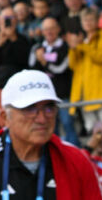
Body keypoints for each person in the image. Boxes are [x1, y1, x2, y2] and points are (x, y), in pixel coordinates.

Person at [0, 70, 102, 199]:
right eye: (30, 109)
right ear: (5, 118)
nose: (42, 118)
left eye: (49, 108)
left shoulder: (76, 160)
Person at [28, 17, 80, 146]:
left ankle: (75, 153)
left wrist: (45, 62)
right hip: (45, 97)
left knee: (68, 123)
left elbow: (61, 68)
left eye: (52, 29)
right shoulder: (37, 47)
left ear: (57, 29)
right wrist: (38, 58)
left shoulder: (65, 46)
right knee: (51, 127)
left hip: (63, 94)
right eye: (46, 29)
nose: (49, 32)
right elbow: (32, 68)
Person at [67, 9, 102, 131]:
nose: (87, 23)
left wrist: (83, 46)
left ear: (97, 21)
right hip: (85, 92)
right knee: (91, 129)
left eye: (90, 19)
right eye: (85, 20)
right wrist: (73, 49)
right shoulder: (81, 39)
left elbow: (101, 57)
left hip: (101, 89)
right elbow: (73, 65)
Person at [0, 8, 30, 128]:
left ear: (16, 20)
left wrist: (13, 39)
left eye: (11, 18)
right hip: (1, 84)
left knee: (22, 115)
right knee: (3, 117)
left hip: (20, 84)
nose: (8, 22)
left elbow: (24, 59)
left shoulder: (22, 39)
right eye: (6, 19)